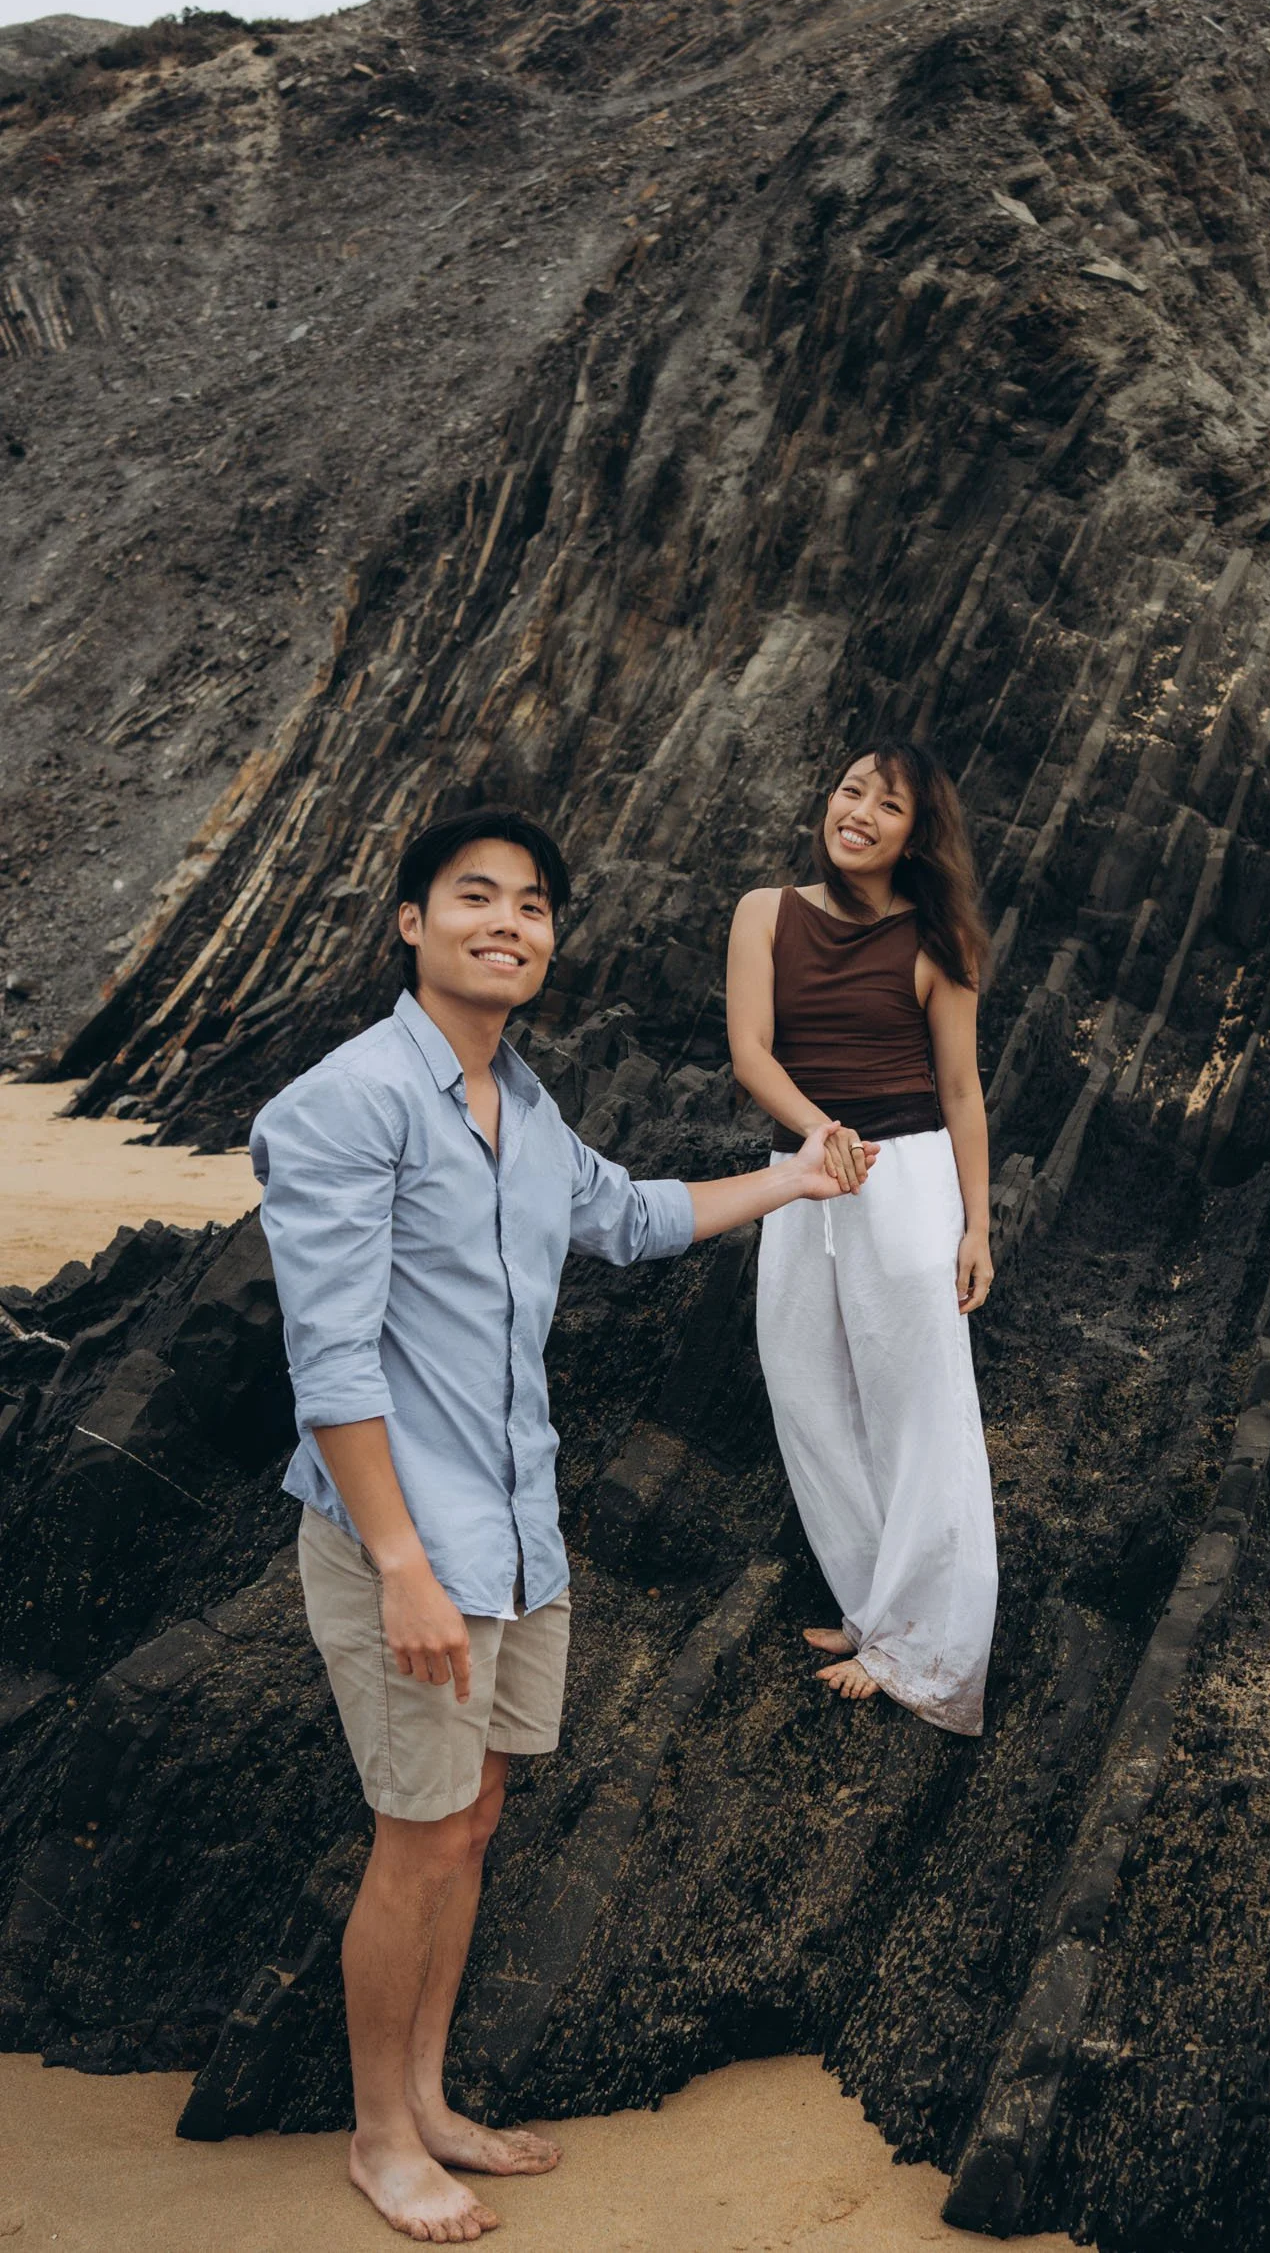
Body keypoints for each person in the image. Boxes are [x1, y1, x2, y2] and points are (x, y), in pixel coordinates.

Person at [250, 805, 869, 2248]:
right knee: (414, 1834)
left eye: (533, 906)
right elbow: (331, 1362)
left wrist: (793, 1174)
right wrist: (399, 1565)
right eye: (475, 898)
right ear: (410, 924)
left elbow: (630, 1217)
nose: (508, 924)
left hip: (518, 1532)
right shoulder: (348, 1102)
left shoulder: (521, 1106)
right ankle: (379, 2138)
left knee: (471, 1815)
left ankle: (431, 2097)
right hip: (406, 1544)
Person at [726, 742, 997, 1734]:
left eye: (885, 806)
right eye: (849, 792)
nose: (858, 814)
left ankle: (928, 1650)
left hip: (907, 1180)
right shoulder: (764, 911)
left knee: (920, 1413)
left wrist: (977, 1224)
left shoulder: (937, 942)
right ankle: (876, 1607)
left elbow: (961, 1091)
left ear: (914, 834)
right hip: (802, 1175)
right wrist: (816, 1131)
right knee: (805, 1390)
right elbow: (748, 1051)